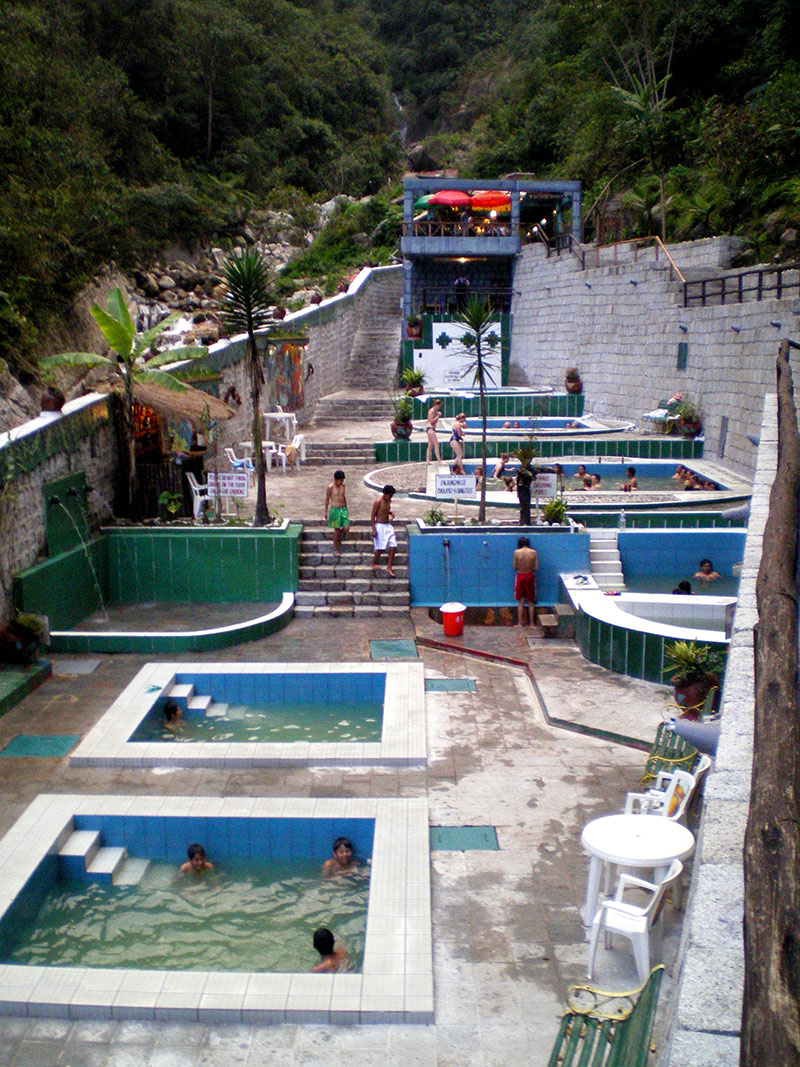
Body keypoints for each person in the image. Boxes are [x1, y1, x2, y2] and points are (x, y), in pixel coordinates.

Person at [371, 485, 397, 577]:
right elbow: (373, 515)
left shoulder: (389, 501)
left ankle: (389, 567)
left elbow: (385, 510)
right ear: (385, 494)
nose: (390, 497)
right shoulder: (378, 502)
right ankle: (374, 562)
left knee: (393, 545)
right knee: (381, 548)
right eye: (389, 495)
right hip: (380, 525)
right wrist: (373, 529)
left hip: (387, 525)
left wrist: (391, 513)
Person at [513, 536, 538, 627]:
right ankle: (532, 623)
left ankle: (520, 623)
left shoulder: (516, 552)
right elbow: (536, 568)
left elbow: (514, 567)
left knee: (521, 601)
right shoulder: (533, 552)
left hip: (520, 576)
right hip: (530, 576)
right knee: (530, 601)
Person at [324, 470, 349, 556]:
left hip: (342, 509)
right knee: (336, 529)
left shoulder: (343, 486)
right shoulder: (330, 487)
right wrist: (326, 511)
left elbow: (344, 497)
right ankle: (335, 549)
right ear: (336, 479)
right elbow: (327, 499)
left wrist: (346, 508)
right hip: (335, 510)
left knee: (346, 527)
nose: (341, 482)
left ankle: (338, 537)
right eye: (340, 480)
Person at [426, 399, 443, 463]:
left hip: (432, 429)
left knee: (430, 445)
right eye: (439, 406)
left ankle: (428, 460)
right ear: (436, 405)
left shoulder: (435, 411)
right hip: (430, 429)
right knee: (436, 444)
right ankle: (439, 460)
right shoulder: (431, 411)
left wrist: (437, 415)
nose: (439, 407)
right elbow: (431, 421)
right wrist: (438, 416)